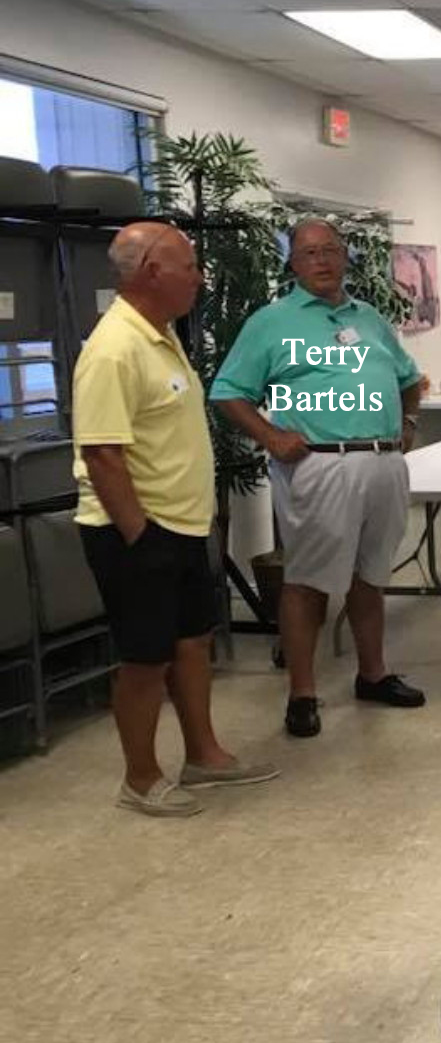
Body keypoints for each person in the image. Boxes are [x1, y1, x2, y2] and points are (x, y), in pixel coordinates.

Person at [75, 223, 278, 815]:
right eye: (189, 266)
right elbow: (102, 453)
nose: (200, 277)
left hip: (181, 525)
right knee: (146, 658)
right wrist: (140, 536)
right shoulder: (113, 348)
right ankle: (140, 779)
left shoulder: (160, 336)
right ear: (151, 272)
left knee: (192, 642)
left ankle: (204, 755)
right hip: (135, 530)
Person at [212, 218, 425, 739]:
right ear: (293, 262)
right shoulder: (271, 321)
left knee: (371, 575)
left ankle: (372, 674)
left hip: (383, 463)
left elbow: (408, 378)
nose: (322, 260)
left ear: (346, 257)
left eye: (331, 250)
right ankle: (303, 693)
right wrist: (270, 436)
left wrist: (409, 421)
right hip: (320, 465)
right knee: (307, 582)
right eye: (310, 252)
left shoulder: (370, 318)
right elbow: (228, 392)